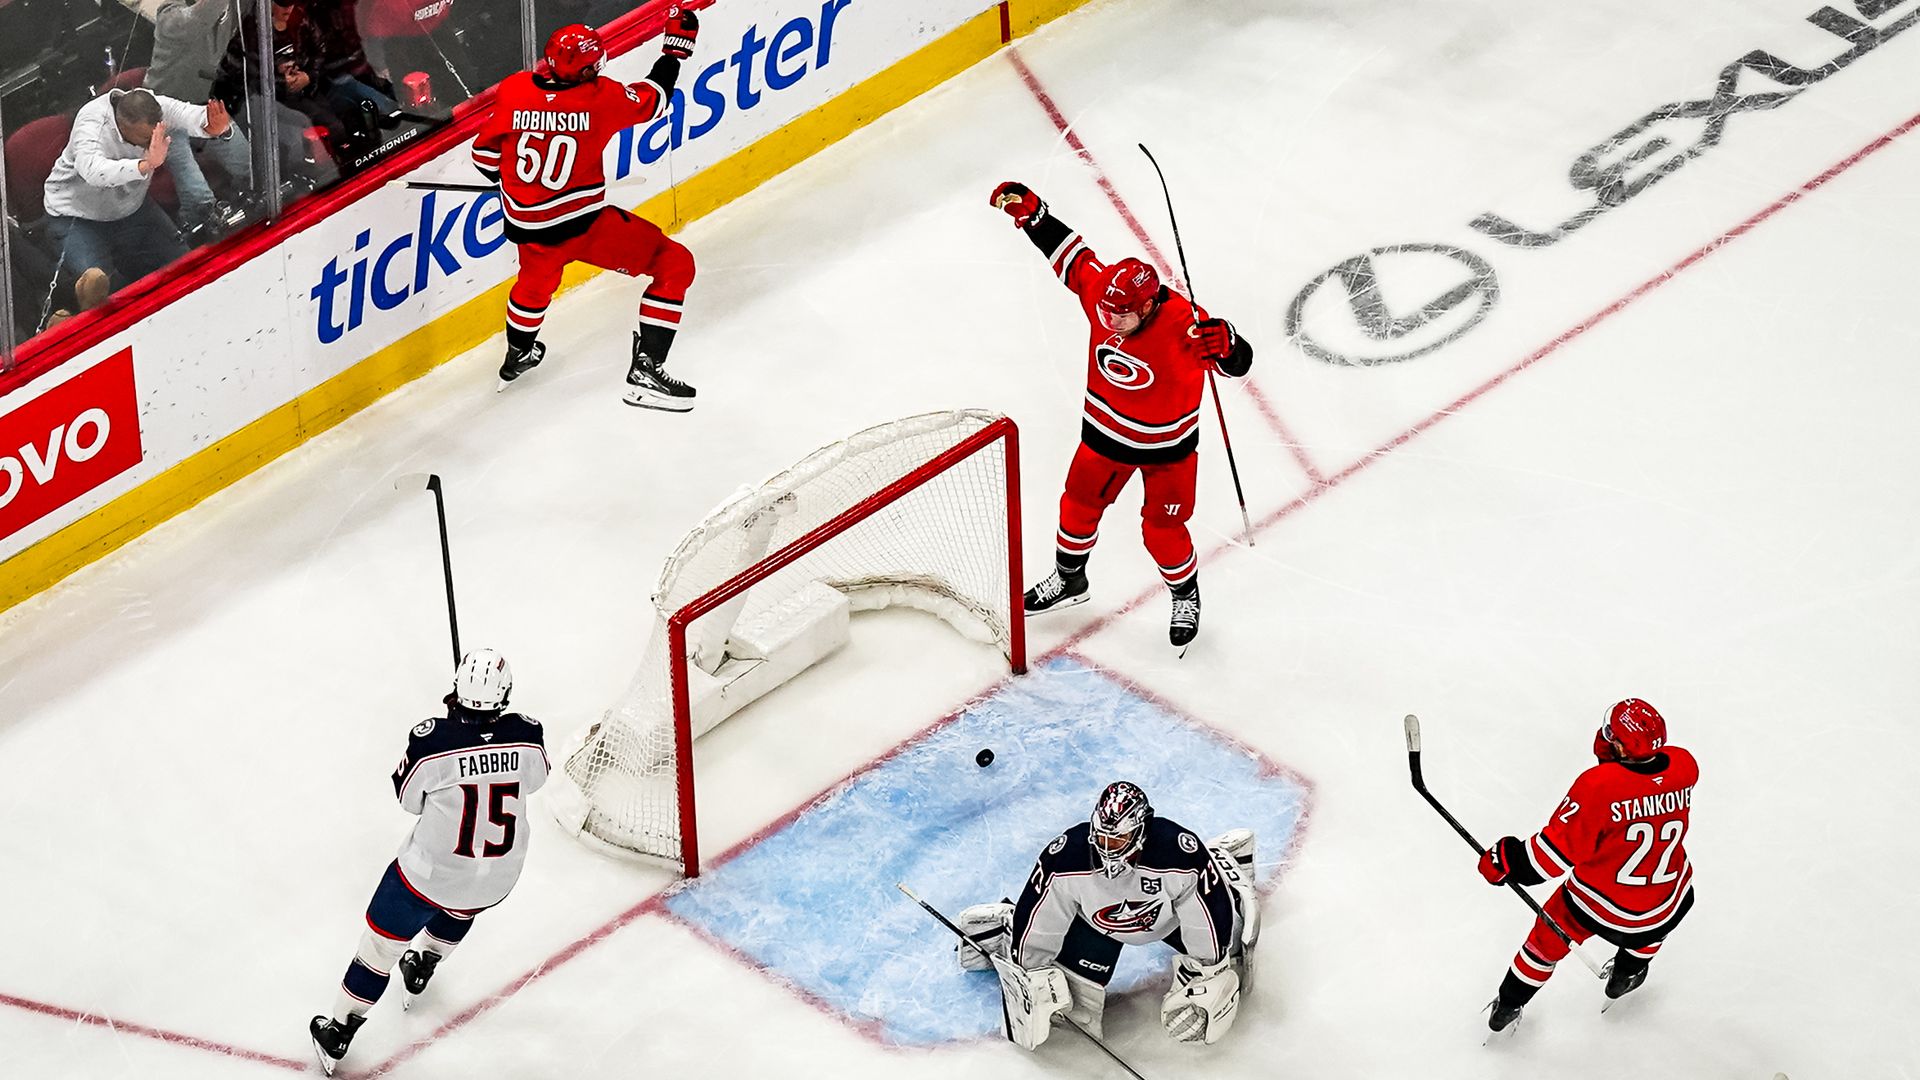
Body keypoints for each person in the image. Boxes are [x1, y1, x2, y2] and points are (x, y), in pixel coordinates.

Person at [989, 181, 1253, 654]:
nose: (1110, 322)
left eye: (1122, 316)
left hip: (1168, 452)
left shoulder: (1186, 326)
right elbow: (1070, 254)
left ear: (1149, 305)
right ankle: (1070, 581)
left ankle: (1184, 595)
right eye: (1107, 313)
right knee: (1076, 507)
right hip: (1102, 438)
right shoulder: (1102, 294)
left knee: (1161, 530)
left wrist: (1229, 342)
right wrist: (1033, 215)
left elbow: (1238, 364)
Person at [308, 649, 549, 1075]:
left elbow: (408, 800)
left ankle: (340, 1029)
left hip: (428, 876)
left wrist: (456, 730)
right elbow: (536, 778)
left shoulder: (432, 741)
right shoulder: (528, 735)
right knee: (462, 903)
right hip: (499, 875)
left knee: (379, 948)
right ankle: (424, 964)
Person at [471, 14, 700, 410]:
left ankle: (518, 356)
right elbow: (654, 100)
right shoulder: (600, 98)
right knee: (674, 264)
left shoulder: (514, 89)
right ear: (589, 68)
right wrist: (674, 52)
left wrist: (512, 178)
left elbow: (484, 157)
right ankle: (647, 368)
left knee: (534, 287)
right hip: (584, 226)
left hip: (529, 230)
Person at [954, 782, 1259, 1048]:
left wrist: (1207, 971)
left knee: (1229, 956)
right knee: (1073, 1014)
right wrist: (1028, 968)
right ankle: (1005, 929)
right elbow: (1040, 912)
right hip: (1096, 925)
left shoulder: (1179, 855)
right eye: (1102, 839)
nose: (1107, 849)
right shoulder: (1065, 858)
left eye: (1117, 841)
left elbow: (1206, 915)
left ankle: (1225, 872)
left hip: (1170, 917)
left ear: (1140, 833)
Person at [1474, 698, 1697, 1032]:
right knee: (1652, 922)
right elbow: (1649, 790)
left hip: (1603, 904)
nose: (1604, 737)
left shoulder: (1598, 787)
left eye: (1612, 734)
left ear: (1621, 748)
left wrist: (1505, 858)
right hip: (1669, 899)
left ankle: (1508, 1004)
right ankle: (1627, 973)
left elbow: (1544, 861)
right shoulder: (1684, 766)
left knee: (1546, 937)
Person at [42, 88, 232, 291]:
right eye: (145, 138)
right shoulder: (91, 123)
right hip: (76, 216)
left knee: (186, 265)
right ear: (123, 125)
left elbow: (189, 114)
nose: (152, 142)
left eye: (155, 135)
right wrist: (145, 164)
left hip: (132, 207)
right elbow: (91, 170)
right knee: (101, 291)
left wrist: (214, 126)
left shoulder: (155, 106)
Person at [147, 0, 259, 232]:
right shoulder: (170, 15)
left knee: (251, 168)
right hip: (162, 113)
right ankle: (193, 230)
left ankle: (244, 207)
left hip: (203, 106)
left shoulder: (233, 9)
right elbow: (194, 22)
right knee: (198, 195)